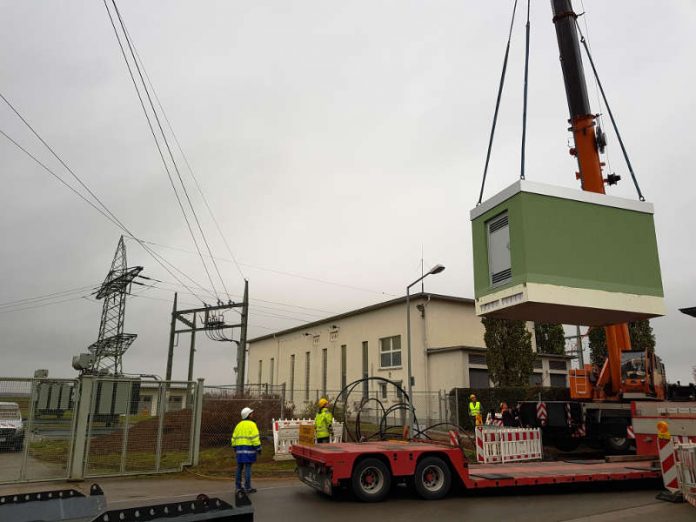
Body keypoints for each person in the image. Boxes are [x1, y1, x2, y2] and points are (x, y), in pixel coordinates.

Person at [231, 407, 261, 493]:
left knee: (239, 468)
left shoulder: (238, 425)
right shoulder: (252, 425)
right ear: (248, 415)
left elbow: (233, 438)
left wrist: (234, 447)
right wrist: (258, 448)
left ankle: (238, 487)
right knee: (248, 467)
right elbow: (255, 438)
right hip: (249, 450)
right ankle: (248, 487)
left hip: (239, 450)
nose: (252, 414)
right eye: (251, 413)